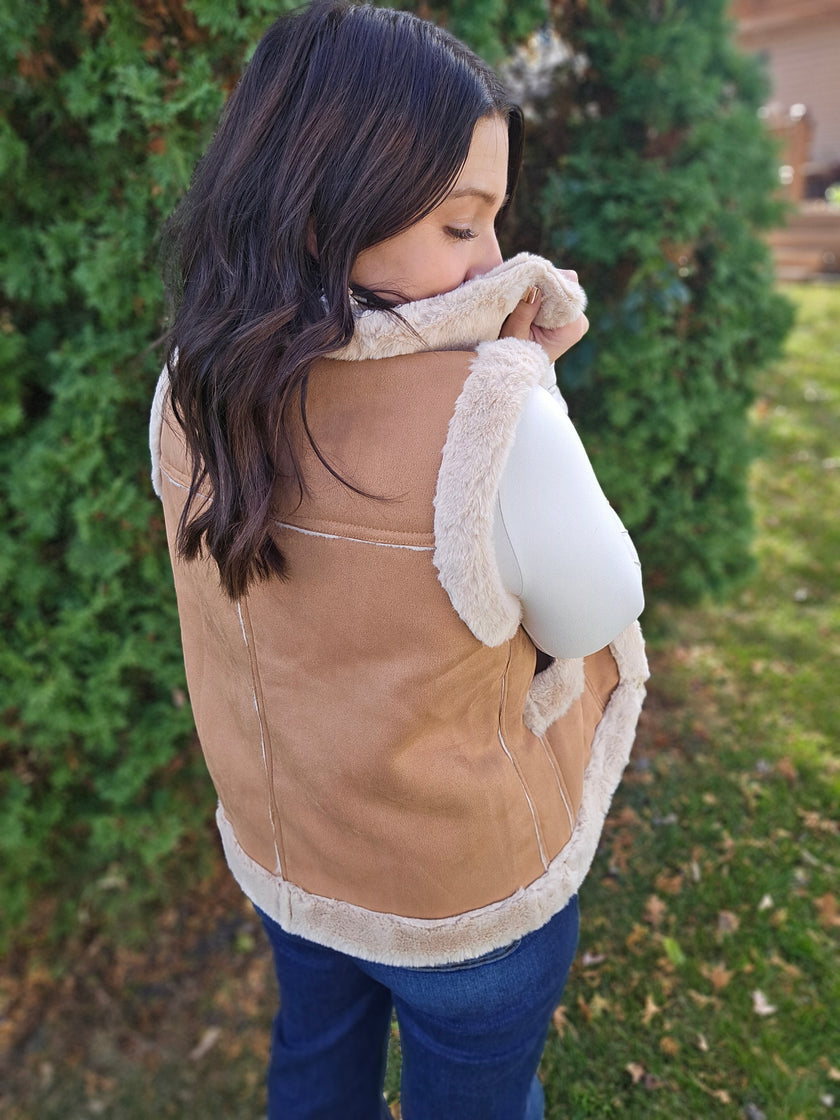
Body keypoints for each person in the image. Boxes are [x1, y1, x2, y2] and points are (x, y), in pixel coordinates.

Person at [150, 2, 648, 1117]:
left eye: (493, 222)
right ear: (326, 211)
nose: (495, 257)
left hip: (295, 861)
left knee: (313, 1062)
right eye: (460, 225)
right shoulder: (494, 413)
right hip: (462, 901)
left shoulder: (189, 386)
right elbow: (600, 604)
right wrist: (529, 386)